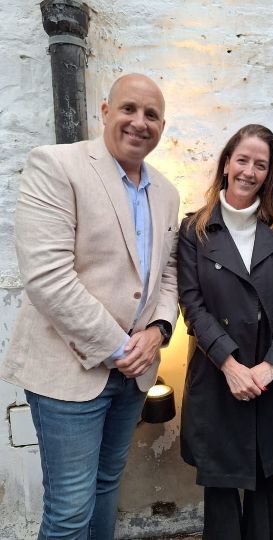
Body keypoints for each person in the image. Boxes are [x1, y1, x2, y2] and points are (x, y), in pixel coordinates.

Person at [0, 73, 179, 539]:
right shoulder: (56, 165)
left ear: (162, 126)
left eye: (152, 115)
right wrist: (121, 348)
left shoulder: (167, 192)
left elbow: (167, 273)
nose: (139, 122)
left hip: (134, 375)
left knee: (105, 487)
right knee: (69, 511)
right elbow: (48, 278)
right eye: (128, 109)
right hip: (69, 372)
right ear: (105, 111)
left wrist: (158, 330)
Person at [178, 124, 273, 540]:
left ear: (269, 173)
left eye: (260, 164)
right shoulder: (195, 230)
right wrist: (230, 365)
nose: (249, 171)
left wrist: (271, 366)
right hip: (217, 372)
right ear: (226, 164)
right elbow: (191, 303)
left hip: (268, 373)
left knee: (263, 477)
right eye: (242, 160)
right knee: (220, 479)